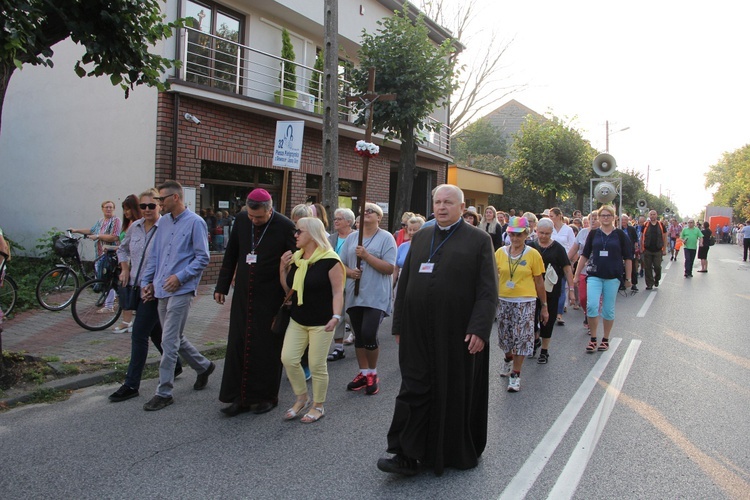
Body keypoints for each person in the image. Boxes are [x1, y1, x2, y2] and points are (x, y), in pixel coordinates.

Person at [377, 184, 497, 477]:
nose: (442, 207)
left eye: (448, 202)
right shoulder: (422, 237)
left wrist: (479, 330)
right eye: (438, 202)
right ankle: (405, 453)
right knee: (413, 387)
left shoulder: (479, 240)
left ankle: (450, 451)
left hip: (457, 333)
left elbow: (487, 291)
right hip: (417, 331)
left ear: (462, 206)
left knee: (452, 390)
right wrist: (399, 323)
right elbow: (405, 285)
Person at [213, 189, 296, 416]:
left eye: (258, 217)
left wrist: (290, 292)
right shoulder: (241, 219)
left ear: (270, 210)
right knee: (239, 343)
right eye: (251, 216)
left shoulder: (285, 226)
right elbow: (231, 253)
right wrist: (221, 286)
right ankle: (238, 397)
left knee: (266, 347)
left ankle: (267, 396)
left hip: (270, 295)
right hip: (243, 294)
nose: (253, 220)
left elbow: (295, 262)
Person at [140, 180, 216, 411]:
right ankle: (203, 366)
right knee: (174, 337)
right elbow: (155, 255)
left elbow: (202, 257)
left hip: (181, 289)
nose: (158, 204)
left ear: (175, 198)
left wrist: (180, 277)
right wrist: (148, 282)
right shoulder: (162, 223)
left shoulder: (196, 222)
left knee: (168, 340)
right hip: (161, 288)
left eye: (161, 200)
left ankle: (164, 392)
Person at [109, 189, 183, 403]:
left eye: (152, 205)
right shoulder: (135, 227)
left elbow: (170, 260)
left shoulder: (166, 228)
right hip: (134, 286)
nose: (148, 210)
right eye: (143, 206)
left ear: (160, 206)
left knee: (139, 334)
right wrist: (124, 269)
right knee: (155, 332)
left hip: (153, 291)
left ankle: (131, 384)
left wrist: (154, 284)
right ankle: (178, 364)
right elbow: (122, 250)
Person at [279, 217, 345, 423]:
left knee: (317, 365)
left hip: (322, 322)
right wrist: (282, 268)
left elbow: (338, 292)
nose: (295, 235)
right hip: (298, 319)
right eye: (295, 232)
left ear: (313, 235)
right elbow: (289, 290)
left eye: (300, 232)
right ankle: (302, 398)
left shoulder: (331, 260)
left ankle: (318, 405)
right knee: (288, 359)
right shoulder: (297, 259)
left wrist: (336, 316)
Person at [340, 203, 396, 396]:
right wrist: (350, 272)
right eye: (362, 212)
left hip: (376, 295)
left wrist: (366, 256)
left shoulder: (386, 238)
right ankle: (363, 373)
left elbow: (389, 268)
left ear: (379, 217)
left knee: (369, 332)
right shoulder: (351, 238)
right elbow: (340, 265)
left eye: (369, 211)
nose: (365, 214)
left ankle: (372, 372)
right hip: (355, 294)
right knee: (359, 335)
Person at [496, 216, 548, 391]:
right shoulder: (500, 253)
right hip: (503, 300)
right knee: (505, 338)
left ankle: (516, 374)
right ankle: (508, 359)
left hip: (525, 301)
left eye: (519, 235)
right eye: (512, 235)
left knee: (522, 338)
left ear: (526, 234)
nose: (515, 239)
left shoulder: (533, 254)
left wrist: (544, 306)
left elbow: (539, 281)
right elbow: (493, 276)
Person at [574, 205, 633, 353]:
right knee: (592, 306)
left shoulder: (620, 235)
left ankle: (605, 339)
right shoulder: (593, 234)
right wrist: (576, 274)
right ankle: (593, 339)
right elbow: (584, 254)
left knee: (608, 310)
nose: (605, 218)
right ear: (598, 218)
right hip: (594, 275)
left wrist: (629, 278)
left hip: (613, 276)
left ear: (614, 217)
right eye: (603, 215)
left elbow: (628, 258)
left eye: (608, 215)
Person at [529, 218, 574, 365]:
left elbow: (567, 269)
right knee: (531, 319)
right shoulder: (530, 246)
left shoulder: (558, 248)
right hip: (530, 289)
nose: (544, 236)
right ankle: (535, 340)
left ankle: (544, 350)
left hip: (551, 290)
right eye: (541, 233)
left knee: (547, 320)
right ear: (536, 230)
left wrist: (571, 290)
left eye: (547, 233)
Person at [327, 207, 356, 362]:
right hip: (334, 281)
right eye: (335, 219)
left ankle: (360, 336)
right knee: (337, 313)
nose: (335, 221)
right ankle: (338, 348)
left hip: (351, 280)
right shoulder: (331, 238)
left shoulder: (357, 237)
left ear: (349, 222)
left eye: (339, 219)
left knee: (350, 314)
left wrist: (351, 272)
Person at [111, 195, 142, 334]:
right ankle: (127, 321)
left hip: (134, 264)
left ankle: (128, 321)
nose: (126, 213)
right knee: (125, 291)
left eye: (128, 209)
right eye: (124, 210)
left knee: (129, 291)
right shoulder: (130, 225)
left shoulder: (138, 224)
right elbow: (123, 246)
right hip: (125, 262)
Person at [549, 208, 575, 325]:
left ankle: (559, 313)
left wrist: (570, 262)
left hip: (563, 262)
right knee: (549, 287)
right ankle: (549, 311)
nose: (551, 218)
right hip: (550, 262)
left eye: (552, 216)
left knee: (561, 288)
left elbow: (573, 246)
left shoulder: (568, 230)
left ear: (559, 216)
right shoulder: (549, 229)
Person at [393, 216, 425, 290]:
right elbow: (395, 268)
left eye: (415, 230)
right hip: (402, 283)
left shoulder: (426, 246)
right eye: (410, 229)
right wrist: (392, 284)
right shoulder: (402, 246)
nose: (411, 232)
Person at [640, 210, 667, 290]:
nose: (652, 216)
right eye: (651, 214)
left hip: (658, 250)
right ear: (649, 215)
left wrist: (664, 249)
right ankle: (649, 284)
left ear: (656, 215)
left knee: (657, 267)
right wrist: (641, 247)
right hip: (647, 250)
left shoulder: (661, 225)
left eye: (654, 214)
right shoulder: (645, 225)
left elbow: (665, 237)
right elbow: (641, 237)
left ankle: (657, 279)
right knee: (647, 267)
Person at [620, 214, 640, 292]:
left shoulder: (631, 229)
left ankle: (634, 284)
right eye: (622, 220)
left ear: (628, 221)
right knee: (621, 267)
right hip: (620, 250)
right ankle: (622, 284)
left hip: (630, 250)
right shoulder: (618, 229)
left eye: (625, 220)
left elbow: (635, 238)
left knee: (632, 267)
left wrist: (636, 245)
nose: (624, 221)